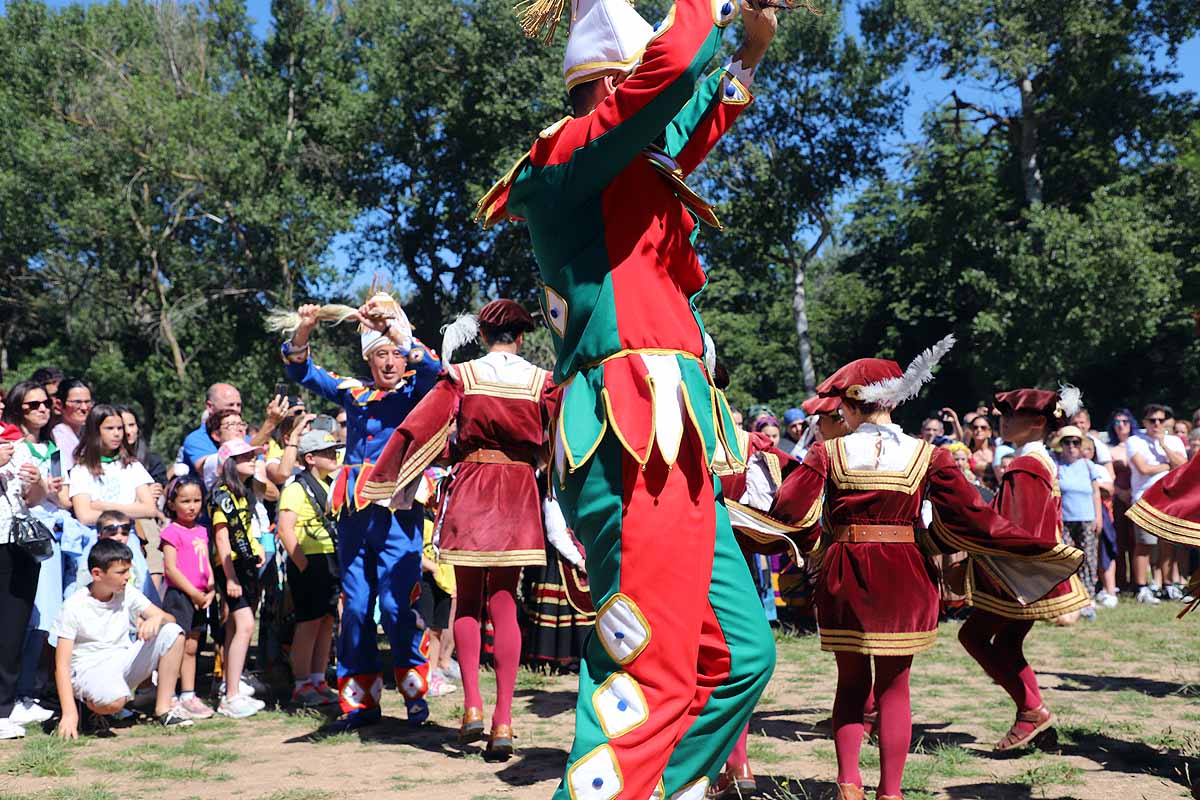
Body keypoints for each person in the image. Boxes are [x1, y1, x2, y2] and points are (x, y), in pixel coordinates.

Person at [473, 0, 783, 789]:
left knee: (739, 656)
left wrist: (750, 43)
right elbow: (678, 71)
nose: (665, 116)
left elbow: (698, 114)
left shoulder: (628, 172)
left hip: (674, 435)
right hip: (625, 430)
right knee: (651, 668)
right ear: (616, 88)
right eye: (644, 95)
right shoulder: (561, 165)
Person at [768, 342, 1081, 800]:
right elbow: (972, 517)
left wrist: (808, 538)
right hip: (905, 575)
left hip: (845, 573)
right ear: (894, 400)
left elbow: (789, 508)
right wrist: (1040, 550)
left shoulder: (827, 453)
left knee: (851, 683)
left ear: (851, 404)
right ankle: (891, 792)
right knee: (896, 687)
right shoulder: (928, 454)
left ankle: (848, 784)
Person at [362, 299, 554, 756]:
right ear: (522, 336)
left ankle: (471, 708)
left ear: (482, 335)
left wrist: (389, 475)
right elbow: (559, 436)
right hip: (517, 491)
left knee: (466, 599)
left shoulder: (462, 376)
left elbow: (419, 426)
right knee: (505, 603)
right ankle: (503, 723)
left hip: (471, 486)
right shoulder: (542, 382)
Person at [280, 293, 442, 730]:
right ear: (368, 360)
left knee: (394, 606)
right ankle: (361, 706)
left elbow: (434, 366)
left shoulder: (417, 389)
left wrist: (393, 328)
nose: (389, 362)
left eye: (394, 353)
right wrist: (305, 328)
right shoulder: (354, 392)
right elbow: (301, 370)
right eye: (380, 355)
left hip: (399, 514)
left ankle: (415, 698)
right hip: (354, 517)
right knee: (355, 608)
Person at [957, 388, 1091, 754]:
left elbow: (1016, 526)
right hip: (1031, 573)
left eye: (1009, 415)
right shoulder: (1036, 460)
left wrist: (970, 503)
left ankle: (1032, 709)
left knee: (973, 637)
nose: (1003, 420)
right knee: (1007, 643)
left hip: (1019, 575)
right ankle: (1031, 712)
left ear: (1036, 422)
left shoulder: (1025, 465)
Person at [53, 539, 191, 737]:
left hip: (122, 660)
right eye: (121, 572)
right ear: (97, 574)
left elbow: (170, 619)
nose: (128, 577)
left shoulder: (127, 592)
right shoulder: (74, 606)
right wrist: (68, 713)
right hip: (89, 669)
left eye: (128, 570)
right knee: (115, 702)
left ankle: (164, 709)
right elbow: (62, 664)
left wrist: (157, 619)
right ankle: (88, 709)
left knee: (173, 633)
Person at [3, 380, 72, 726]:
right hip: (13, 535)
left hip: (37, 536)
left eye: (46, 403)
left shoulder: (46, 448)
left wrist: (43, 486)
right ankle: (20, 693)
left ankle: (22, 694)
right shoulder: (14, 446)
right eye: (32, 405)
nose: (42, 409)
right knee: (24, 618)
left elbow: (55, 498)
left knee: (34, 619)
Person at [275, 430, 342, 708]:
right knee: (308, 623)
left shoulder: (329, 485)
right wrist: (303, 564)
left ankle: (319, 679)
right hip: (309, 561)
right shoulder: (296, 488)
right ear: (310, 458)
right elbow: (285, 529)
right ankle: (301, 684)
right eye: (327, 453)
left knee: (327, 621)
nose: (334, 456)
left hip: (330, 559)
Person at [209, 439, 272, 718]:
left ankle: (230, 685)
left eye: (253, 455)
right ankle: (231, 697)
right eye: (245, 456)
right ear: (230, 464)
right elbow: (222, 539)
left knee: (238, 627)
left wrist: (255, 549)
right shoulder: (222, 494)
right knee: (246, 625)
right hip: (229, 568)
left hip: (244, 565)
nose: (253, 459)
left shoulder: (244, 492)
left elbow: (245, 529)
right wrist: (231, 578)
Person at [158, 475, 216, 720]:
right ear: (172, 503)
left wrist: (211, 588)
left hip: (201, 597)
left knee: (192, 647)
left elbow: (206, 563)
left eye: (197, 500)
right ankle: (168, 696)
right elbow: (171, 569)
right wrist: (193, 592)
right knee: (175, 646)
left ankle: (188, 694)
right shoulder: (172, 532)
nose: (192, 506)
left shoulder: (202, 530)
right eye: (185, 501)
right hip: (180, 597)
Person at [0, 422, 41, 739]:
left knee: (12, 630)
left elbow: (35, 499)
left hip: (21, 543)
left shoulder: (17, 442)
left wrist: (37, 482)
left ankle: (5, 706)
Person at [1126, 404, 1188, 602]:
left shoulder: (1173, 441)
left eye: (1161, 420)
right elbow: (1143, 469)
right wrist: (1167, 465)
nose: (1157, 424)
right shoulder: (1135, 441)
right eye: (1152, 420)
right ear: (1144, 422)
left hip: (1170, 499)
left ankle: (1168, 585)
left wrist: (1163, 445)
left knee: (1168, 544)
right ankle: (1142, 587)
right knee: (1144, 544)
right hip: (1145, 499)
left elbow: (1183, 466)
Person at [67, 404, 160, 529]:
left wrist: (106, 507)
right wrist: (132, 509)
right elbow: (85, 516)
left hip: (128, 534)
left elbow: (149, 509)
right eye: (110, 428)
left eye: (120, 428)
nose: (117, 434)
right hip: (97, 535)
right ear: (95, 431)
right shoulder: (81, 470)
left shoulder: (132, 466)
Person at [1053, 426, 1106, 618]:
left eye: (1075, 442)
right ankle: (1070, 597)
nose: (1071, 446)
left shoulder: (1088, 465)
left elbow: (1096, 492)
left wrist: (1099, 516)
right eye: (1067, 442)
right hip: (1064, 518)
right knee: (1067, 559)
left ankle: (1089, 598)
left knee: (1089, 558)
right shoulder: (1055, 463)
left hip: (1087, 517)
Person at [179, 383, 243, 475]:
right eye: (230, 405)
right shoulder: (196, 440)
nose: (236, 410)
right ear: (210, 406)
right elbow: (209, 470)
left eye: (238, 405)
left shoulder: (245, 437)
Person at [52, 378, 93, 472]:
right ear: (59, 404)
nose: (84, 408)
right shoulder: (56, 439)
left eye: (87, 402)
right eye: (77, 402)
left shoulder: (86, 435)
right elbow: (56, 473)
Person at [966, 414, 996, 488]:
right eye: (975, 427)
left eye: (983, 428)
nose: (979, 430)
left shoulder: (997, 452)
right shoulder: (967, 453)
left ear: (990, 432)